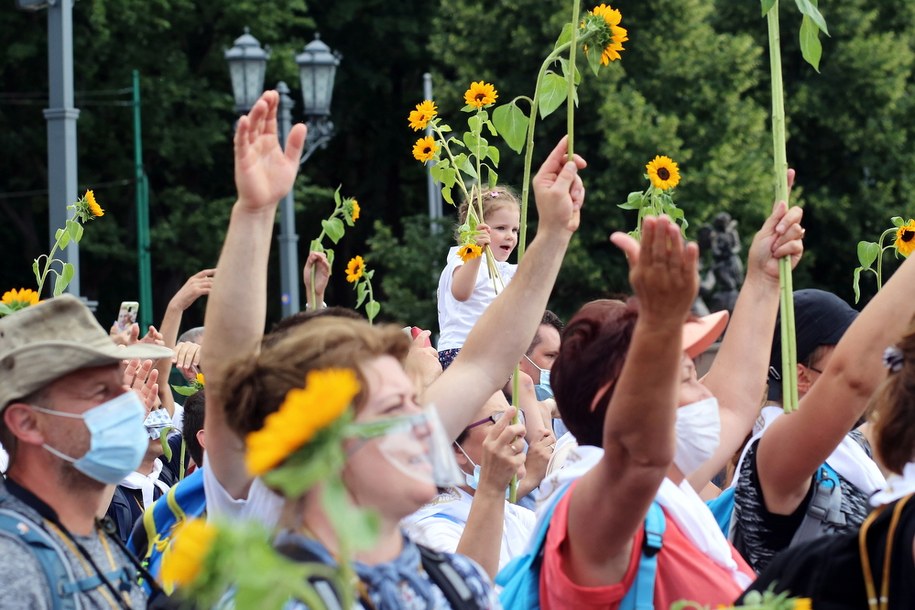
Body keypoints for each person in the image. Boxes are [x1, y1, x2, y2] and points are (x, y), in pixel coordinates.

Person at [198, 91, 586, 606]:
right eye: (395, 406)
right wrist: (254, 213)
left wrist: (554, 233)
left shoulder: (449, 577)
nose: (423, 422)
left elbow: (484, 360)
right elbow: (229, 374)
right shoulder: (268, 510)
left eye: (412, 402)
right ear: (325, 439)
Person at [730, 275, 915, 571]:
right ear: (802, 375)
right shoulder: (774, 456)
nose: (871, 359)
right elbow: (851, 379)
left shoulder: (850, 449)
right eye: (847, 348)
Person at [0, 295, 171, 609]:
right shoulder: (12, 566)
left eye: (123, 388)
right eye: (101, 392)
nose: (131, 406)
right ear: (27, 423)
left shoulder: (87, 531)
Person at [402, 397, 538, 577]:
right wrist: (491, 488)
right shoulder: (432, 532)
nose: (519, 431)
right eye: (499, 419)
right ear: (456, 449)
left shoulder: (515, 515)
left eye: (517, 418)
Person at [436, 187, 521, 369]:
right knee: (497, 396)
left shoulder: (503, 270)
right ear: (476, 229)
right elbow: (460, 292)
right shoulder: (465, 259)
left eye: (515, 230)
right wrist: (476, 252)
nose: (510, 236)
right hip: (462, 352)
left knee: (525, 384)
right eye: (501, 228)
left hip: (492, 354)